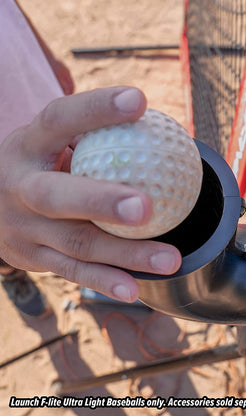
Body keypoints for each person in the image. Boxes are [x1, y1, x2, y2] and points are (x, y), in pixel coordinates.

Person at [0, 0, 182, 316]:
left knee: (78, 209)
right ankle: (10, 273)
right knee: (16, 240)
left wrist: (43, 53)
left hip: (28, 88)